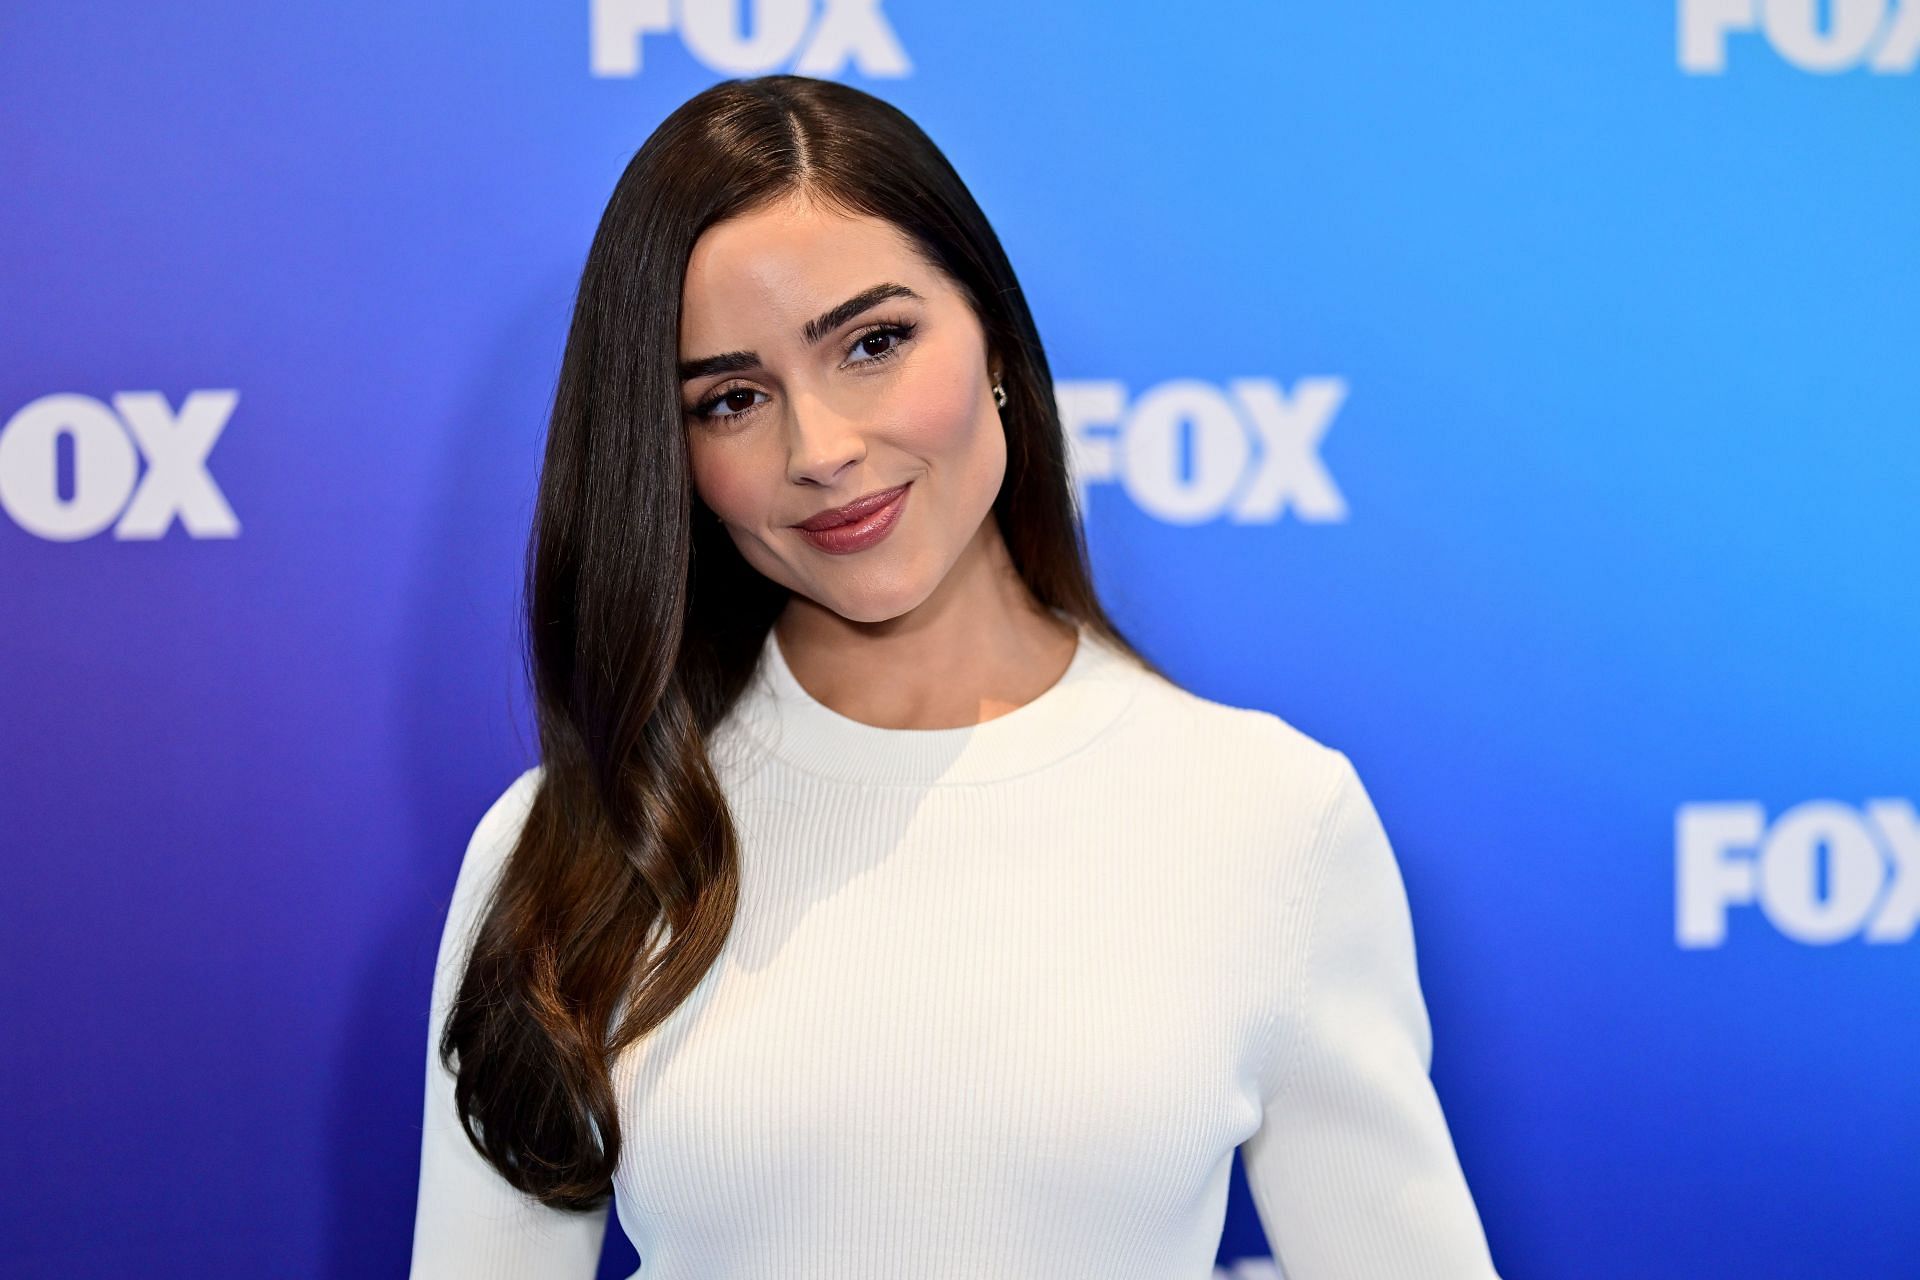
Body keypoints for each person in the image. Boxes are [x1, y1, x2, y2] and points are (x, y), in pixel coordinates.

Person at [409, 73, 1500, 1280]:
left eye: (873, 342)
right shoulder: (574, 842)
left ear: (992, 337)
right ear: (670, 458)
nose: (820, 449)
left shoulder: (1268, 817)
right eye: (731, 398)